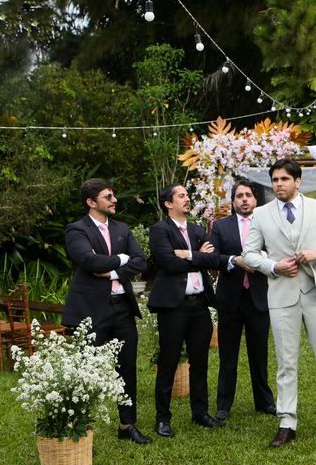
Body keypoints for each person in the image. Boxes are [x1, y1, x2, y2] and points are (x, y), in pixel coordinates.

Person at [242, 158, 316, 447]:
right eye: (274, 180)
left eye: (284, 179)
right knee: (286, 362)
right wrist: (273, 266)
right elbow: (250, 253)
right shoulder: (261, 213)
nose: (278, 184)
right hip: (281, 295)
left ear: (298, 181)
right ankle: (286, 422)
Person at [63, 178, 151, 444]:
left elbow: (140, 260)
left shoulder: (122, 228)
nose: (114, 200)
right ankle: (78, 430)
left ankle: (127, 426)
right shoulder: (76, 230)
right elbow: (88, 260)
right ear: (91, 202)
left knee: (127, 368)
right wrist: (121, 259)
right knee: (83, 371)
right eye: (108, 196)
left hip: (122, 308)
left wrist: (111, 270)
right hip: (90, 311)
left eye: (113, 196)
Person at [148, 184, 222, 438]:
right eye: (181, 196)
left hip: (200, 304)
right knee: (168, 361)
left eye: (187, 196)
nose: (187, 199)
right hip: (174, 306)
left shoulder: (197, 229)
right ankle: (162, 418)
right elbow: (167, 262)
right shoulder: (159, 230)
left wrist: (187, 254)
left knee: (199, 361)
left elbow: (213, 259)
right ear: (168, 203)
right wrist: (196, 256)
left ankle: (200, 412)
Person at [210, 179, 275, 421]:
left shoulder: (267, 223)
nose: (244, 199)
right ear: (233, 201)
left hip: (259, 297)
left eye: (248, 195)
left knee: (259, 354)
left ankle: (264, 402)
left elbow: (278, 251)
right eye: (239, 196)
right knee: (228, 355)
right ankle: (224, 404)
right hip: (230, 299)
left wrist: (262, 260)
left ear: (256, 199)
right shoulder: (221, 226)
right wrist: (234, 260)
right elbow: (213, 257)